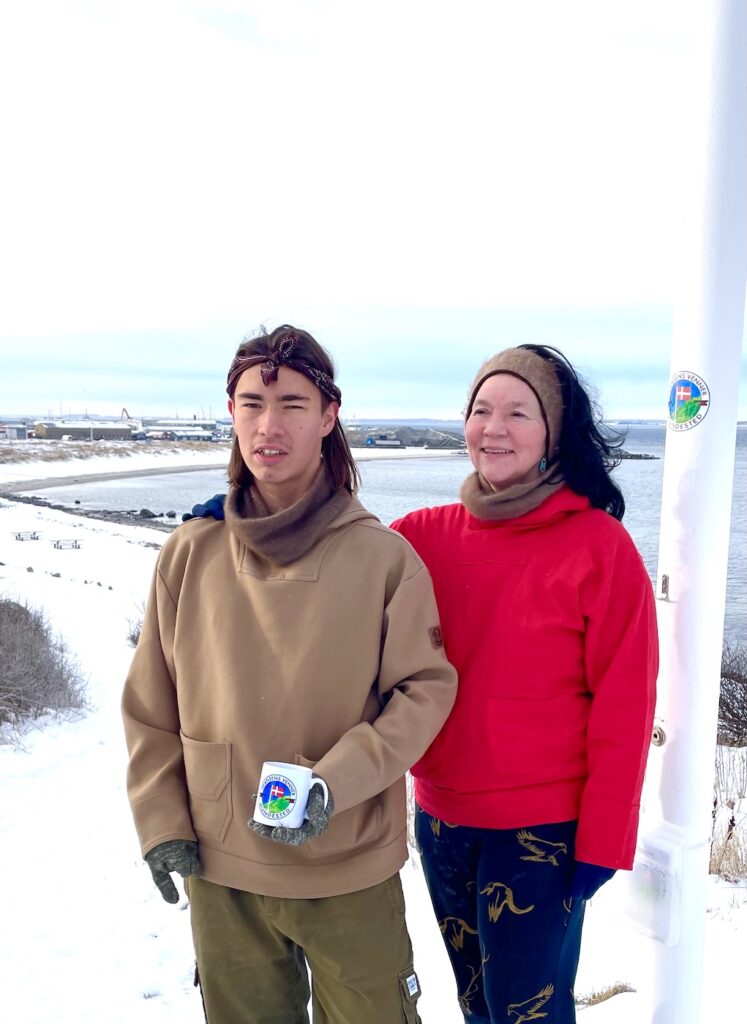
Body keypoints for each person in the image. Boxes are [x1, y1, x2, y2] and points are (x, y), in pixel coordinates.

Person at [187, 343, 658, 1024]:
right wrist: (245, 518)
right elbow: (335, 546)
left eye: (517, 413)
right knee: (474, 1002)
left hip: (541, 831)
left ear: (552, 431)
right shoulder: (424, 537)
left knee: (527, 1011)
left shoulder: (598, 548)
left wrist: (603, 841)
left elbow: (625, 706)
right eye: (480, 410)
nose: (492, 427)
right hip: (443, 822)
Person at [122, 324, 458, 1024]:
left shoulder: (381, 560)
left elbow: (423, 693)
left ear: (329, 415)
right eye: (250, 404)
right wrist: (160, 820)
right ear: (230, 412)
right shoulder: (189, 552)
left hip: (347, 864)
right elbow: (150, 705)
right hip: (221, 861)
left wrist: (333, 783)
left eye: (292, 406)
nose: (267, 426)